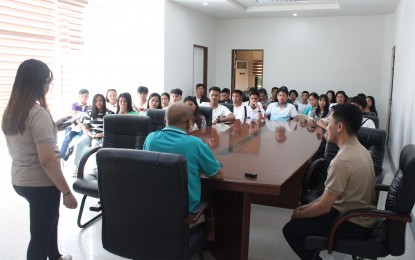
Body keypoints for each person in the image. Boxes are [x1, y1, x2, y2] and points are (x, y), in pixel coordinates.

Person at [2, 59, 77, 260]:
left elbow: (28, 139)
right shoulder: (38, 113)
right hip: (40, 182)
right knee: (40, 236)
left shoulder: (11, 112)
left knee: (49, 221)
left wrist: (54, 126)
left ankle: (56, 256)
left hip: (20, 179)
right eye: (47, 82)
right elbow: (48, 161)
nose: (48, 87)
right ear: (37, 83)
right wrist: (67, 192)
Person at [283, 103, 376, 260]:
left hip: (352, 223)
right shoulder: (360, 149)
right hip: (355, 214)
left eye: (328, 122)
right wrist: (306, 207)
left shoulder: (342, 160)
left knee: (291, 230)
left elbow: (325, 207)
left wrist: (299, 215)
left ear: (339, 126)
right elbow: (329, 197)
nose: (326, 126)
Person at [143, 103, 223, 213]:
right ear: (189, 122)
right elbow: (217, 175)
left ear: (165, 121)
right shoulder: (195, 143)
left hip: (153, 208)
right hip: (185, 213)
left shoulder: (150, 138)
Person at [72, 94, 113, 176]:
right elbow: (85, 128)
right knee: (78, 144)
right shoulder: (89, 113)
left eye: (100, 100)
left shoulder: (110, 113)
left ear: (104, 102)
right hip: (90, 134)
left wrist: (101, 134)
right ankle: (76, 167)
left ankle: (96, 168)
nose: (98, 102)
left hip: (103, 135)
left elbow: (111, 128)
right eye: (96, 101)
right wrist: (92, 135)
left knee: (95, 144)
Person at [59, 88, 90, 160]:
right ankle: (60, 157)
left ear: (88, 97)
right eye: (82, 96)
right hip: (73, 126)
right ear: (79, 96)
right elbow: (74, 115)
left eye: (86, 96)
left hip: (82, 128)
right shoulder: (75, 104)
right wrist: (81, 124)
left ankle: (71, 149)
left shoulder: (90, 107)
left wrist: (83, 126)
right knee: (67, 139)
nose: (84, 98)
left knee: (81, 141)